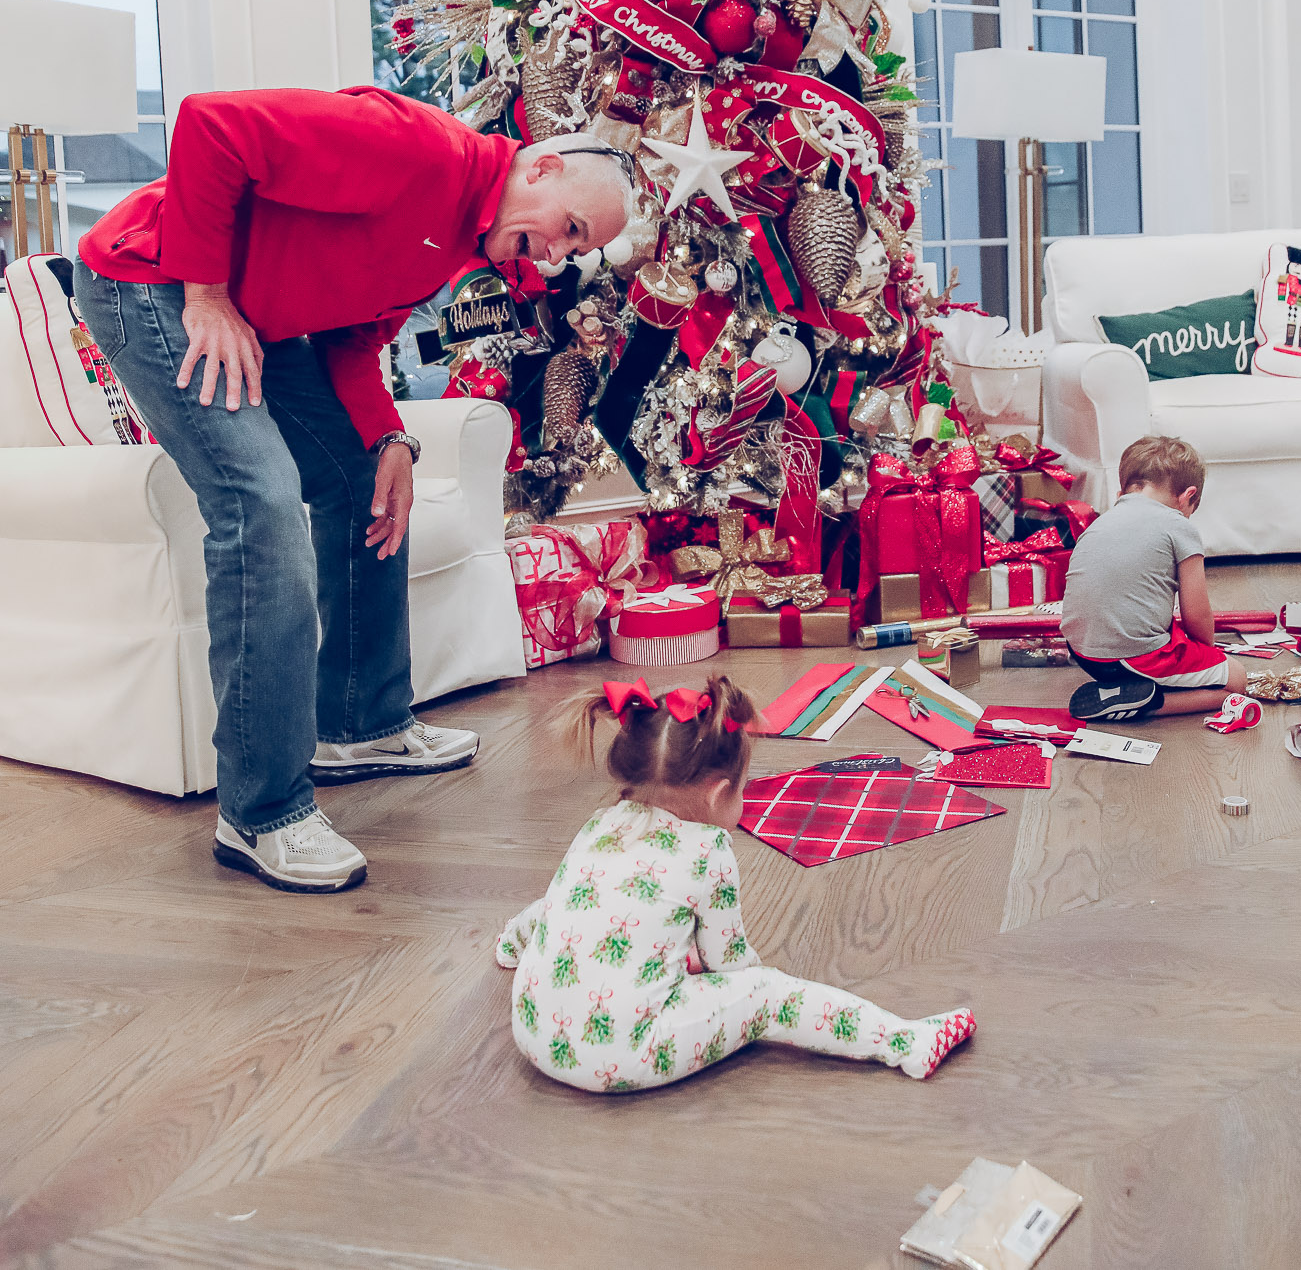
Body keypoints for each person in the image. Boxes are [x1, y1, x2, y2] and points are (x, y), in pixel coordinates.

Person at [73, 86, 633, 895]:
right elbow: (210, 124)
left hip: (257, 318)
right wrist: (205, 292)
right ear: (542, 166)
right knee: (259, 503)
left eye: (575, 250)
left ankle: (358, 723)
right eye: (569, 228)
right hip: (155, 285)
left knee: (363, 479)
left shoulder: (466, 239)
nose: (554, 255)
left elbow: (352, 335)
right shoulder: (415, 150)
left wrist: (387, 437)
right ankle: (261, 812)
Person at [495, 674, 977, 1091]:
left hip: (535, 1033)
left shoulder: (600, 825)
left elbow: (552, 906)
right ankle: (902, 1042)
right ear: (720, 792)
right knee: (766, 993)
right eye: (743, 788)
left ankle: (510, 946)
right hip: (622, 1056)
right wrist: (735, 981)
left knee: (587, 900)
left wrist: (516, 942)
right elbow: (731, 965)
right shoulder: (708, 851)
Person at [1060, 434, 1247, 722]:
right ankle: (1147, 703)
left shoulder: (1100, 523)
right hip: (1133, 657)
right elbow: (1196, 614)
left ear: (1122, 492)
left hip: (1083, 651)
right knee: (1237, 682)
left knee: (1162, 629)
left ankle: (1127, 688)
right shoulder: (1177, 526)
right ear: (1189, 497)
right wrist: (1206, 655)